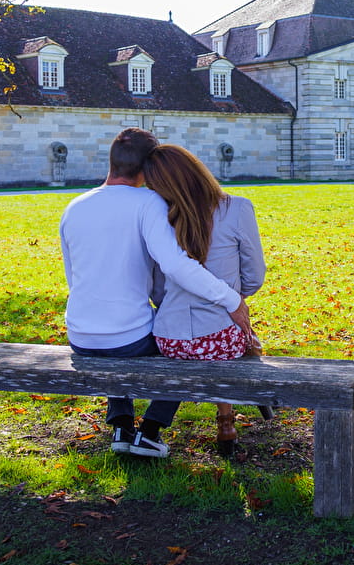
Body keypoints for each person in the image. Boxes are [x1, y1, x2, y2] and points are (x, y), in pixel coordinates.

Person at [60, 128, 247, 459]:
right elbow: (175, 266)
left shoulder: (74, 207)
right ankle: (150, 431)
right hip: (127, 339)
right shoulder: (148, 202)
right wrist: (231, 300)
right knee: (182, 344)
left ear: (113, 161)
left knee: (117, 336)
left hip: (79, 334)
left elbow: (73, 278)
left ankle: (121, 425)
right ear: (149, 168)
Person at [142, 144, 264, 456]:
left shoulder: (163, 221)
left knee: (206, 344)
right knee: (234, 332)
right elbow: (254, 276)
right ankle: (226, 420)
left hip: (170, 339)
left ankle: (153, 425)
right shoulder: (236, 208)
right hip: (220, 339)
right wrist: (232, 298)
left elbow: (157, 290)